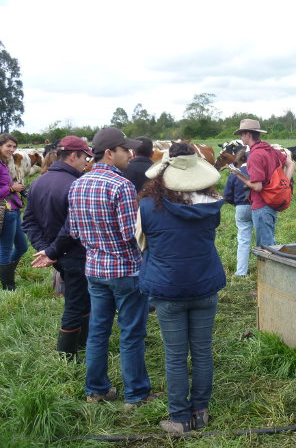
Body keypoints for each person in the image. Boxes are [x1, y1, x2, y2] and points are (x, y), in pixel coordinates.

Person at [138, 142, 226, 434]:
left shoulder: (148, 206)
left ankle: (179, 418)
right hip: (204, 286)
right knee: (202, 351)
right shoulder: (212, 205)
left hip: (168, 289)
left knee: (175, 355)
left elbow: (141, 243)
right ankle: (200, 412)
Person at [67, 127, 157, 407]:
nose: (130, 154)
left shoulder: (77, 184)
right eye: (124, 150)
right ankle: (136, 394)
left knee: (98, 331)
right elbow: (133, 233)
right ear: (109, 153)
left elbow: (74, 231)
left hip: (94, 269)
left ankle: (96, 390)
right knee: (131, 334)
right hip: (126, 270)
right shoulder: (121, 186)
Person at [23, 136, 93, 358]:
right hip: (75, 253)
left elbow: (29, 222)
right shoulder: (77, 184)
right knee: (76, 302)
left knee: (80, 297)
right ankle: (67, 356)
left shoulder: (38, 182)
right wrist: (51, 251)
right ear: (73, 156)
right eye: (85, 157)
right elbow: (73, 226)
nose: (86, 162)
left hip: (57, 255)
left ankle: (83, 342)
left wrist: (46, 250)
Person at [232, 119, 295, 246]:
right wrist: (285, 185)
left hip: (261, 205)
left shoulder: (255, 156)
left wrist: (239, 175)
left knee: (266, 248)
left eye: (241, 133)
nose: (240, 136)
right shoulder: (270, 149)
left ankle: (272, 266)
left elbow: (257, 186)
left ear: (249, 135)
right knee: (269, 241)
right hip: (273, 201)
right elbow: (291, 164)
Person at [0, 134, 28, 290]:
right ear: (0, 146)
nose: (12, 149)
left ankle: (4, 273)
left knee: (23, 247)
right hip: (4, 210)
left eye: (14, 147)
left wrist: (16, 186)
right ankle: (8, 286)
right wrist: (11, 188)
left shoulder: (4, 163)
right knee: (5, 248)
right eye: (8, 146)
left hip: (14, 209)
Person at [223, 147, 252, 276]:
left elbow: (227, 195)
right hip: (258, 206)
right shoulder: (256, 171)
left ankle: (241, 271)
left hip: (240, 207)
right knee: (263, 240)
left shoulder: (235, 173)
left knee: (243, 239)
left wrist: (237, 203)